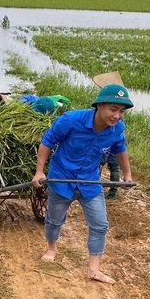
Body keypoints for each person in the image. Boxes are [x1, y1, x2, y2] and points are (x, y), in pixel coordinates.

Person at [32, 83, 134, 283]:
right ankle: (51, 248)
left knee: (100, 224)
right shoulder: (71, 121)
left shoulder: (117, 129)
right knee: (54, 220)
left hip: (89, 181)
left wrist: (127, 174)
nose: (117, 116)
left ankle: (93, 270)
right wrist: (39, 172)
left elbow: (120, 148)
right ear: (99, 106)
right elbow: (47, 141)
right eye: (113, 109)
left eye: (122, 111)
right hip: (62, 178)